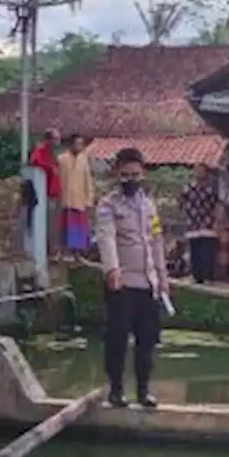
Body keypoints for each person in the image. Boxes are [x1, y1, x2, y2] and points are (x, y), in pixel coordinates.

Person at [95, 146, 169, 409]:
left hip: (148, 284)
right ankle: (116, 390)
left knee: (147, 340)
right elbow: (106, 237)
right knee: (117, 339)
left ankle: (143, 391)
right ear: (117, 174)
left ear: (143, 174)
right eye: (125, 175)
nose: (131, 180)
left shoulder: (149, 206)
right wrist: (112, 270)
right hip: (122, 284)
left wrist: (162, 275)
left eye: (135, 174)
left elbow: (157, 240)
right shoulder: (108, 205)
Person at [179, 163, 220, 283]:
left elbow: (217, 204)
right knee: (195, 251)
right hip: (193, 223)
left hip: (208, 222)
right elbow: (181, 200)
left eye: (201, 171)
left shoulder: (211, 187)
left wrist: (217, 220)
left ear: (206, 173)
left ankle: (208, 277)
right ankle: (196, 276)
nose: (198, 173)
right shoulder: (188, 187)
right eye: (196, 170)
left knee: (207, 251)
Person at [57, 133, 94, 260]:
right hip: (65, 198)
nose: (80, 146)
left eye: (81, 144)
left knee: (79, 227)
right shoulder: (61, 159)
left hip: (80, 199)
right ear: (71, 144)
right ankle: (65, 252)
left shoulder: (84, 160)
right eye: (78, 144)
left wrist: (89, 199)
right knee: (66, 226)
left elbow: (88, 181)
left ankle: (77, 254)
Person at [29, 128, 61, 258]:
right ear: (49, 140)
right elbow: (35, 163)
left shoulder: (52, 153)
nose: (58, 142)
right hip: (45, 194)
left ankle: (53, 250)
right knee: (49, 223)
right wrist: (50, 168)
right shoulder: (40, 152)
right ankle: (51, 251)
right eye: (56, 139)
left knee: (53, 222)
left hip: (54, 192)